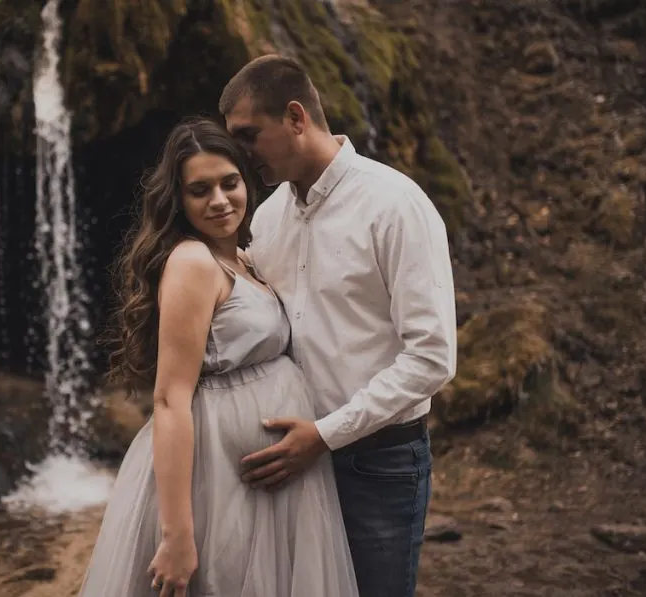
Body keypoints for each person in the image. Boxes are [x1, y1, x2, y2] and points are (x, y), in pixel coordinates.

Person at [76, 117, 360, 597]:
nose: (220, 200)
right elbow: (169, 400)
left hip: (269, 478)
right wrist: (178, 534)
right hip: (218, 477)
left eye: (230, 183)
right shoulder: (192, 262)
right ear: (179, 201)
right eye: (200, 190)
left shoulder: (243, 259)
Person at [218, 54, 458, 597]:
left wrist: (325, 436)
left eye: (249, 134)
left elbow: (433, 357)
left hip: (379, 463)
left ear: (297, 117)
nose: (240, 153)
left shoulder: (395, 205)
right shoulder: (267, 218)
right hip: (290, 461)